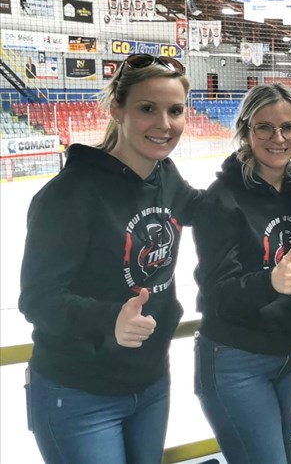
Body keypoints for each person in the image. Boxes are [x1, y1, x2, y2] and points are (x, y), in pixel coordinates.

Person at [18, 54, 198, 463]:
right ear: (118, 109)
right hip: (79, 393)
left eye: (175, 110)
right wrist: (109, 318)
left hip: (151, 382)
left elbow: (207, 210)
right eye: (147, 108)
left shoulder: (164, 175)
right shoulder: (67, 195)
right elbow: (38, 299)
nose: (164, 124)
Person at [192, 83, 291, 464]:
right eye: (264, 127)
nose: (277, 138)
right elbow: (217, 294)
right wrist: (271, 282)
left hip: (287, 356)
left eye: (288, 128)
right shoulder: (221, 198)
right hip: (235, 359)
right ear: (246, 131)